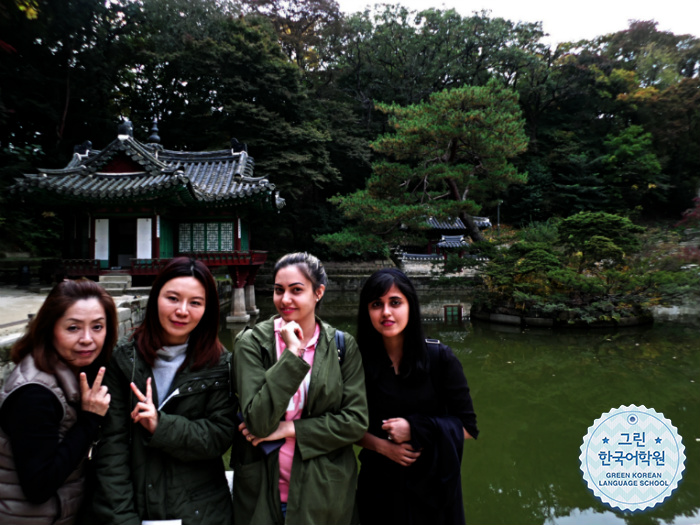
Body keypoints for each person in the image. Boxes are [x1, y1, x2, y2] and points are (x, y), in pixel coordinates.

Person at [84, 257, 237, 525]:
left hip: (201, 512)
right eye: (173, 298)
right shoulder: (123, 362)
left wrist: (160, 426)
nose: (182, 311)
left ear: (207, 309)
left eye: (195, 303)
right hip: (136, 505)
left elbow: (219, 436)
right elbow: (112, 451)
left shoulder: (220, 365)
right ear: (156, 298)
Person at [232, 252, 368, 525]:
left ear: (318, 292)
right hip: (262, 490)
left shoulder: (342, 346)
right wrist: (292, 356)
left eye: (296, 290)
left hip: (323, 492)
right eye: (278, 290)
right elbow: (257, 421)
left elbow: (355, 422)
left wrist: (289, 429)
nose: (285, 299)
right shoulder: (252, 343)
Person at [355, 268, 479, 525]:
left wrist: (415, 428)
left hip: (434, 485)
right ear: (367, 311)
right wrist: (383, 447)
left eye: (395, 302)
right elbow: (345, 426)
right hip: (379, 484)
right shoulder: (357, 363)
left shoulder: (440, 358)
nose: (386, 312)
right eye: (377, 304)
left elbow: (468, 428)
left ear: (411, 306)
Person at [0, 278, 118, 525]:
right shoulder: (34, 394)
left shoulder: (72, 370)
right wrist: (89, 419)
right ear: (50, 328)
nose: (87, 339)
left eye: (97, 327)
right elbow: (38, 486)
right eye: (73, 328)